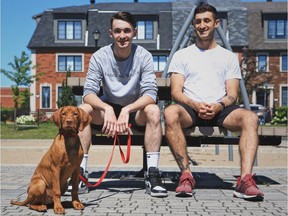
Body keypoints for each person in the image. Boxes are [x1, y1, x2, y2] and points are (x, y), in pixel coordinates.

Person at [164, 3, 264, 201]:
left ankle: (245, 180)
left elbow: (232, 94)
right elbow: (176, 92)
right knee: (170, 113)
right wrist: (194, 104)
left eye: (207, 21)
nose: (202, 25)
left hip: (220, 109)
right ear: (194, 24)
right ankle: (186, 176)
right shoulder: (182, 55)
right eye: (198, 22)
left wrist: (219, 105)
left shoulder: (228, 57)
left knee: (250, 117)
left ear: (216, 23)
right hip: (190, 108)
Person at [73, 11, 167, 197]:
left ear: (134, 32)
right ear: (111, 33)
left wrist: (127, 109)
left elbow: (150, 93)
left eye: (126, 31)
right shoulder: (100, 56)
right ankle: (79, 173)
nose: (122, 36)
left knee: (154, 110)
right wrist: (107, 108)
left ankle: (153, 174)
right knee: (82, 111)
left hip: (134, 110)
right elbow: (88, 93)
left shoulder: (144, 56)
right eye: (117, 31)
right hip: (106, 110)